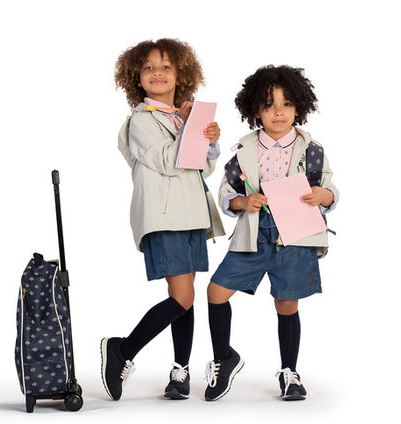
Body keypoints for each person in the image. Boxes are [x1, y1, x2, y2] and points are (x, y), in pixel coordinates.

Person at [204, 65, 339, 402]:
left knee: (287, 303)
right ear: (255, 111)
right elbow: (226, 192)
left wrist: (325, 196)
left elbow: (329, 186)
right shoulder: (244, 150)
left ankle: (289, 372)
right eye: (269, 105)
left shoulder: (312, 149)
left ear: (299, 107)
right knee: (216, 292)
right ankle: (223, 359)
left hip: (295, 234)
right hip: (255, 232)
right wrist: (241, 201)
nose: (279, 112)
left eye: (287, 104)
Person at [101, 38, 224, 401]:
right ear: (136, 77)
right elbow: (169, 161)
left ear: (180, 75)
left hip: (192, 214)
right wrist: (192, 129)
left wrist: (208, 140)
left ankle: (180, 371)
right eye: (149, 67)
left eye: (166, 66)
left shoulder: (180, 116)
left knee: (183, 295)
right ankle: (122, 349)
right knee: (183, 296)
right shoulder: (141, 121)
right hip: (164, 216)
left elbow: (202, 167)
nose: (158, 73)